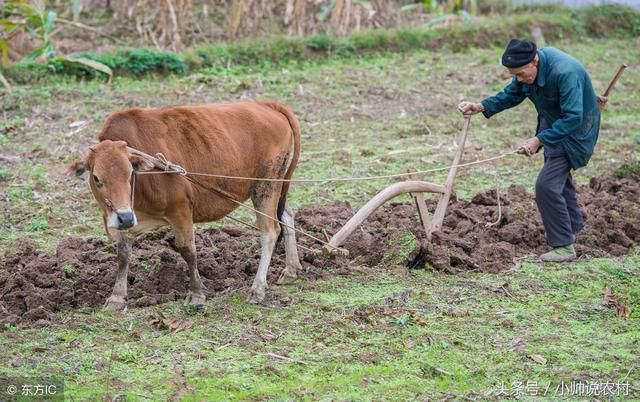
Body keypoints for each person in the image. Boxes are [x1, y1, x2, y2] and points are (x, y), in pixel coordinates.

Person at [458, 39, 607, 262]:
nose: (518, 79)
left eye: (520, 73)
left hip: (576, 129)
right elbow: (512, 93)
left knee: (546, 185)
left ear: (534, 60)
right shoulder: (526, 70)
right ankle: (574, 227)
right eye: (514, 74)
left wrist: (539, 140)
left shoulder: (565, 72)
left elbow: (574, 117)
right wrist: (480, 106)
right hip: (553, 121)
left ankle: (564, 246)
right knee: (557, 179)